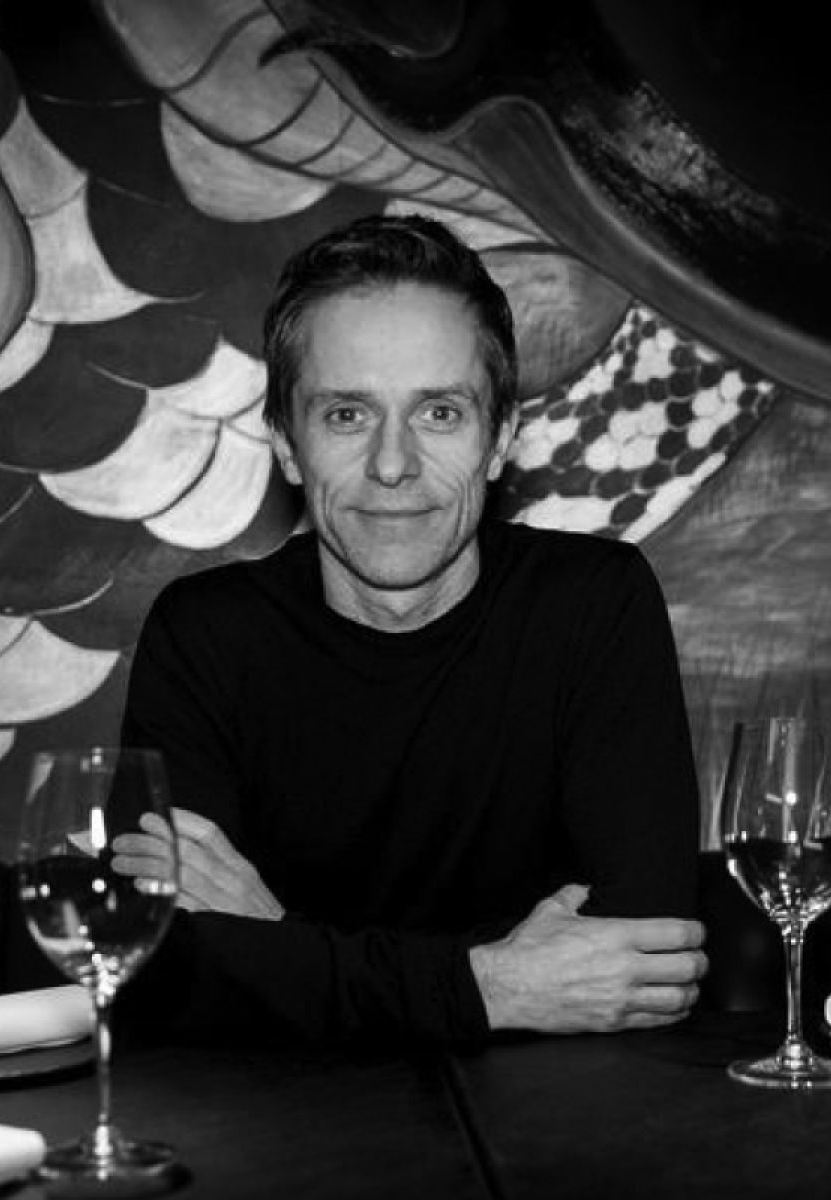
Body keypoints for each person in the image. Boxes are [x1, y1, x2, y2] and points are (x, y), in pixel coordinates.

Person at [114, 213, 707, 1047]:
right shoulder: (205, 637)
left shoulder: (592, 606)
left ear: (499, 439)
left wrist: (280, 941)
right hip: (275, 1120)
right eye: (347, 415)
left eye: (439, 413)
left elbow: (648, 956)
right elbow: (160, 974)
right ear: (287, 445)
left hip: (552, 1119)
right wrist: (492, 987)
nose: (392, 465)